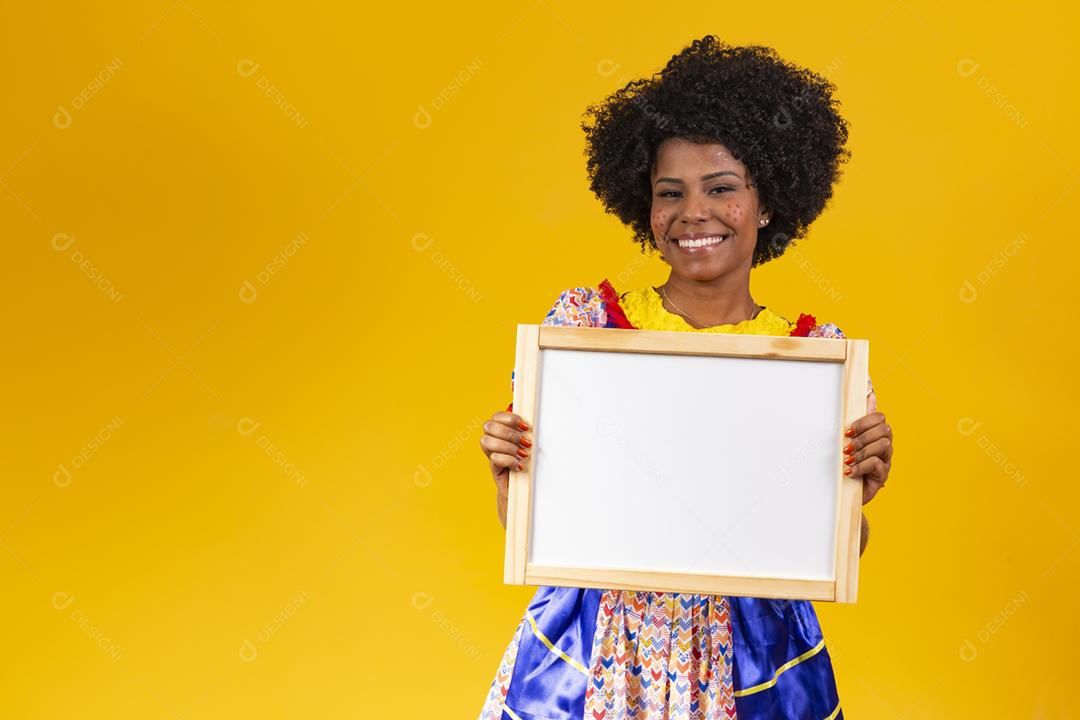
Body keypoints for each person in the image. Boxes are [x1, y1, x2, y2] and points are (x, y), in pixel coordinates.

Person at [477, 36, 894, 720]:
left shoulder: (818, 360)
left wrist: (856, 500)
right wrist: (511, 481)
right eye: (670, 193)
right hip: (601, 647)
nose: (693, 213)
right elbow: (544, 530)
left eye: (722, 189)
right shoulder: (587, 326)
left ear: (767, 204)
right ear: (646, 208)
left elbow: (831, 551)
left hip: (751, 656)